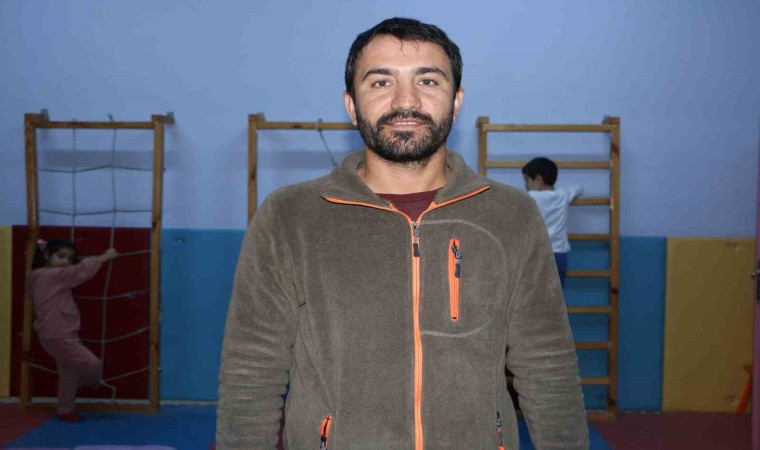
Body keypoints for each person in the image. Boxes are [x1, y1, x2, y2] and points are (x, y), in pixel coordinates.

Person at [217, 17, 588, 450]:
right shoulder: (289, 217)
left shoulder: (513, 215)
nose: (406, 101)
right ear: (352, 105)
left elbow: (547, 363)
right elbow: (251, 369)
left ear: (456, 102)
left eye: (428, 81)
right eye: (381, 82)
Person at [26, 239, 118, 423]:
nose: (65, 261)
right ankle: (86, 382)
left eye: (69, 258)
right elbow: (79, 272)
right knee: (93, 365)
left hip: (56, 333)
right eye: (60, 256)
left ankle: (65, 409)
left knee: (69, 373)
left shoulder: (38, 275)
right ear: (47, 255)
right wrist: (105, 256)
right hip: (58, 333)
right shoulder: (52, 275)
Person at [522, 157, 584, 287]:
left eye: (527, 180)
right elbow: (579, 188)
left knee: (532, 295)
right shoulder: (562, 195)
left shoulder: (529, 197)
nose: (525, 185)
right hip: (559, 255)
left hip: (535, 254)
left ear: (538, 179)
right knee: (555, 295)